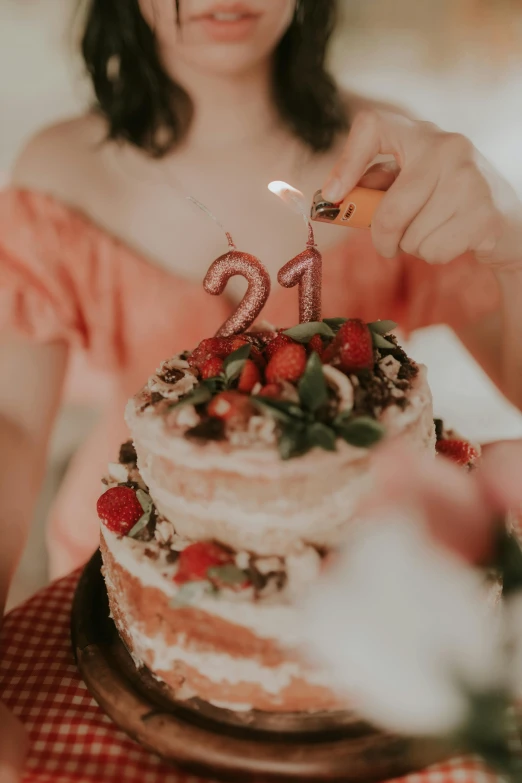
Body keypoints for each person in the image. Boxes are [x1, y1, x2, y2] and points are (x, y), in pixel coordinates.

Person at [1, 0, 522, 600]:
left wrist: (511, 246)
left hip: (367, 575)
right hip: (126, 557)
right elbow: (9, 422)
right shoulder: (59, 173)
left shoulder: (394, 169)